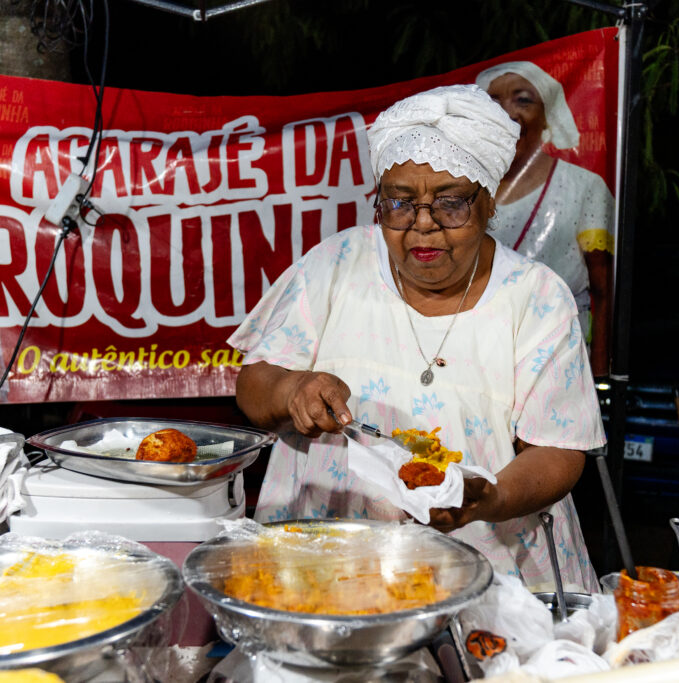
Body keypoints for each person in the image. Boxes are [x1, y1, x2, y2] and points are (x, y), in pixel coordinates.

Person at [228, 84, 606, 593]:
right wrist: (292, 389)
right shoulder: (336, 264)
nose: (422, 227)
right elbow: (254, 384)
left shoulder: (536, 298)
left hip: (488, 568)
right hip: (327, 559)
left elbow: (559, 450)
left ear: (489, 201)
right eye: (400, 203)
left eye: (450, 204)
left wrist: (486, 499)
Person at [476, 62, 615, 377]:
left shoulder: (585, 187)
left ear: (548, 114)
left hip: (558, 355)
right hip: (480, 354)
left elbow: (604, 291)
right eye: (494, 102)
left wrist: (599, 373)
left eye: (522, 100)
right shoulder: (464, 186)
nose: (508, 112)